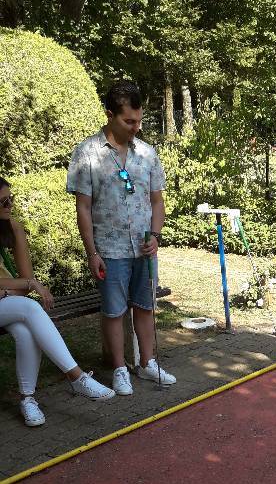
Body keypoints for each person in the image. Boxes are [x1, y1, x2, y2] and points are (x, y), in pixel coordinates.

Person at [67, 80, 176, 396]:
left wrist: (155, 236)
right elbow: (83, 209)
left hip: (144, 249)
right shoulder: (87, 153)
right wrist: (92, 253)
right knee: (114, 311)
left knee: (145, 306)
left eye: (139, 120)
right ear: (109, 114)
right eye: (129, 121)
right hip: (109, 249)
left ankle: (147, 362)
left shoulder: (147, 154)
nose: (136, 127)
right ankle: (119, 369)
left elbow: (157, 202)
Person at [0, 176, 115, 426]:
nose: (9, 205)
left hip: (7, 300)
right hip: (12, 300)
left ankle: (28, 399)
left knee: (25, 332)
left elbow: (25, 277)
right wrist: (29, 286)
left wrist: (21, 285)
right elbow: (29, 283)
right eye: (3, 202)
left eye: (11, 199)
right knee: (30, 307)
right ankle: (77, 378)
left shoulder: (11, 226)